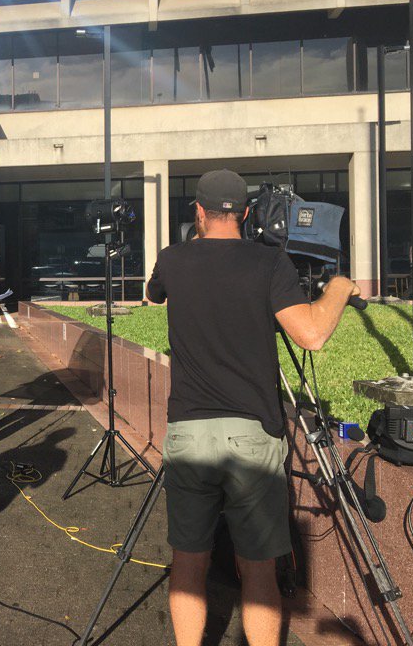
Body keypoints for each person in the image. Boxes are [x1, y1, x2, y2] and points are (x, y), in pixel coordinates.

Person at [145, 169, 360, 646]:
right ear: (245, 213)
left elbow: (151, 293)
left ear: (198, 212)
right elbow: (311, 334)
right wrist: (339, 289)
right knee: (258, 566)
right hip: (252, 435)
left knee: (188, 558)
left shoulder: (172, 260)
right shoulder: (270, 263)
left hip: (189, 433)